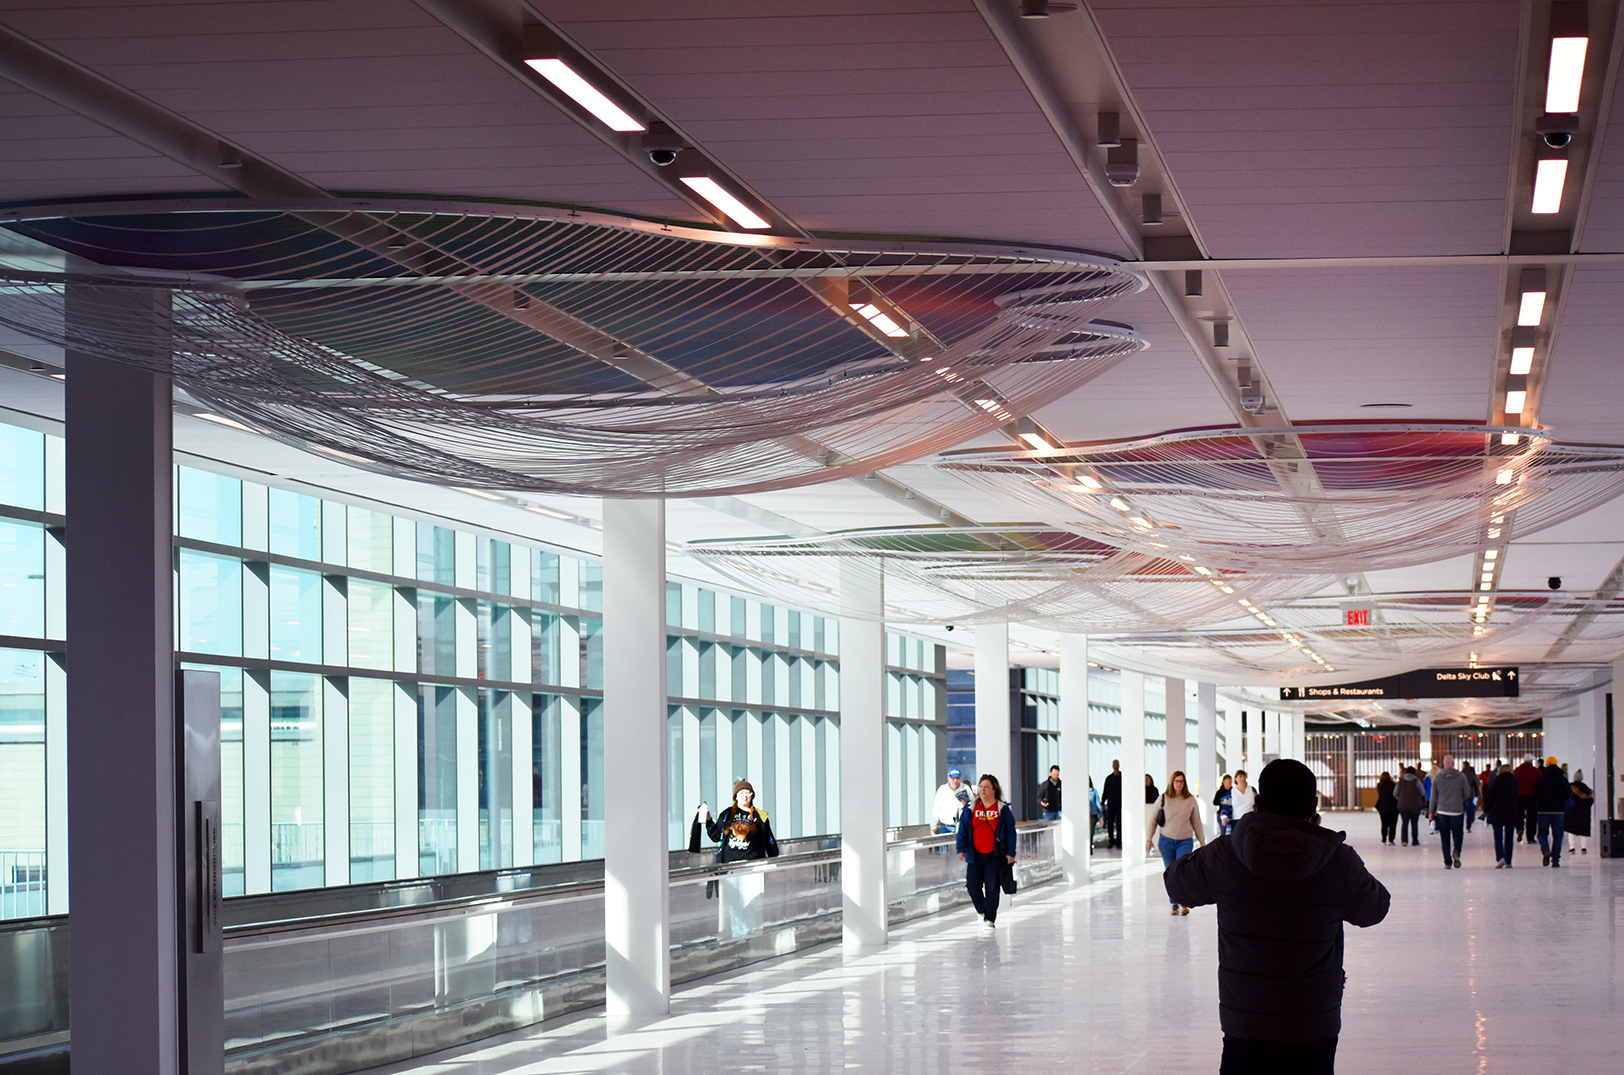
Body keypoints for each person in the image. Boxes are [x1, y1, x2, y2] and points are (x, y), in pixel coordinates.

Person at [1165, 759, 1390, 1075]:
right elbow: (1375, 908)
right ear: (1313, 804)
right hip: (1312, 1021)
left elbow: (1176, 883)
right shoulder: (1339, 862)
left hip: (1245, 1019)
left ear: (1257, 802)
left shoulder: (1225, 854)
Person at [956, 774, 1016, 929]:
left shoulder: (1002, 809)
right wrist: (961, 848)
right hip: (975, 855)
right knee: (972, 886)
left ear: (994, 789)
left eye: (986, 787)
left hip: (994, 856)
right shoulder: (971, 808)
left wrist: (1011, 852)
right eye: (981, 786)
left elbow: (1011, 831)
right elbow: (962, 830)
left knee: (992, 887)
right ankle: (983, 911)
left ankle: (990, 919)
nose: (982, 790)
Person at [1148, 770, 1206, 915]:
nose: (1179, 784)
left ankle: (1183, 903)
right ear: (1172, 782)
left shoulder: (1190, 800)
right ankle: (1173, 903)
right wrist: (1149, 839)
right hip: (1166, 841)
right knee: (1170, 872)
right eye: (1176, 781)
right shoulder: (1163, 799)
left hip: (1185, 841)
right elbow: (1153, 820)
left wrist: (1202, 842)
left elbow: (1196, 822)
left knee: (1182, 872)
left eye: (1181, 781)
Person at [702, 779, 779, 862]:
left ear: (752, 796)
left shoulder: (761, 816)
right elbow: (716, 836)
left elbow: (769, 841)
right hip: (730, 865)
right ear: (736, 797)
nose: (744, 796)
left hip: (754, 864)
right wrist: (708, 820)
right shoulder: (727, 814)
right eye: (741, 793)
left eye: (747, 793)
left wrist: (774, 860)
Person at [1429, 753, 1472, 869]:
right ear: (1453, 763)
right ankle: (1457, 851)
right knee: (1458, 835)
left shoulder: (1437, 778)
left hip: (1442, 811)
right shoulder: (1461, 776)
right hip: (1457, 811)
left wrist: (1431, 812)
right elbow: (1467, 793)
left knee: (1445, 837)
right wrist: (1459, 800)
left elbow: (1433, 797)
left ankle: (1447, 862)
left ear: (1443, 763)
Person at [1533, 756, 1570, 867]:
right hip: (1558, 811)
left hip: (1543, 810)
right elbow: (1568, 794)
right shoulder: (1562, 779)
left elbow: (1534, 793)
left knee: (1542, 834)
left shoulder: (1541, 779)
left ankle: (1546, 850)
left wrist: (1538, 803)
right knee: (1558, 836)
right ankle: (1555, 860)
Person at [1482, 763, 1520, 867]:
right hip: (1511, 813)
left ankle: (1500, 858)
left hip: (1497, 813)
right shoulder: (1514, 782)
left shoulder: (1496, 781)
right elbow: (1518, 797)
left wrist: (1486, 809)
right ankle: (1508, 861)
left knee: (1498, 837)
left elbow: (1490, 797)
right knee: (1509, 837)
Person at [932, 768, 974, 834]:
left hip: (961, 826)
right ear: (948, 778)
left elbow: (973, 805)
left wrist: (965, 806)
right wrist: (933, 827)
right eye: (953, 778)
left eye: (957, 778)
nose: (955, 781)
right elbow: (936, 809)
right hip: (945, 826)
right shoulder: (942, 789)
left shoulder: (965, 788)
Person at [1566, 768, 1594, 855]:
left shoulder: (1570, 787)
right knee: (1583, 830)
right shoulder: (1586, 789)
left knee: (1571, 830)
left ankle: (1572, 848)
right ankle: (1583, 848)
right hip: (1584, 814)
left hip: (1572, 812)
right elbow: (1590, 801)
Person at [1394, 765, 1424, 846]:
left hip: (1403, 806)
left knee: (1405, 823)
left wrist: (1401, 799)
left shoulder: (1401, 781)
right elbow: (1422, 792)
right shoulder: (1416, 781)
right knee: (1414, 824)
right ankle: (1415, 840)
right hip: (1415, 806)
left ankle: (1404, 840)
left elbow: (1395, 793)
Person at [1513, 754, 1540, 843]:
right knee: (1532, 817)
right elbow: (1539, 783)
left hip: (1519, 796)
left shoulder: (1517, 770)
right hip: (1532, 797)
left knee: (1519, 814)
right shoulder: (1536, 771)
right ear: (1531, 761)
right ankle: (1531, 837)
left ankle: (1519, 828)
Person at [1101, 759, 1122, 848]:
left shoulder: (1123, 777)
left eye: (1117, 764)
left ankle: (1119, 842)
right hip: (1111, 804)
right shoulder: (1109, 779)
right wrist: (1102, 803)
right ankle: (1111, 841)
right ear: (1112, 766)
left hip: (1120, 804)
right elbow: (1105, 791)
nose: (1116, 766)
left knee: (1119, 823)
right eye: (1114, 764)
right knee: (1110, 823)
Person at [1374, 771, 1398, 845]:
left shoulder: (1379, 786)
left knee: (1384, 824)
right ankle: (1391, 840)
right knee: (1392, 825)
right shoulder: (1393, 785)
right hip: (1393, 807)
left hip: (1383, 807)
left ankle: (1383, 839)